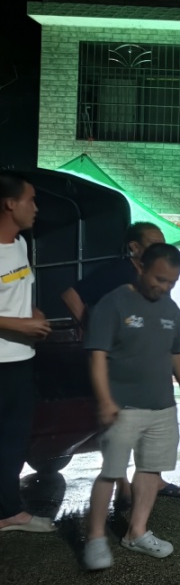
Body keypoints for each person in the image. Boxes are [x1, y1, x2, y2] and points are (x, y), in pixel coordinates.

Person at [82, 243, 180, 569]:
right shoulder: (113, 303)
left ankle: (137, 532)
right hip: (122, 407)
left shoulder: (171, 309)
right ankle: (95, 538)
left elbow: (179, 352)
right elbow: (97, 355)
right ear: (140, 266)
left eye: (171, 283)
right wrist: (104, 399)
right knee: (111, 472)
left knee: (151, 469)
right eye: (159, 279)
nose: (164, 287)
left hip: (162, 406)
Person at [61, 221, 180, 500]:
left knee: (150, 428)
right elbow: (71, 295)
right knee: (120, 427)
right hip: (118, 367)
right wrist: (92, 329)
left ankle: (146, 481)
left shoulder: (155, 277)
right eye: (154, 243)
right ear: (135, 248)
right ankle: (120, 484)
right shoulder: (121, 272)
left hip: (149, 366)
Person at [0, 171, 55, 534]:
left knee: (14, 441)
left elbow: (15, 295)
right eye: (30, 200)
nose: (35, 208)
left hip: (21, 361)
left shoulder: (19, 245)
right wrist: (21, 326)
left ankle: (8, 511)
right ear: (10, 203)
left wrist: (32, 316)